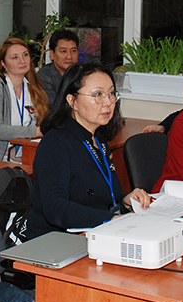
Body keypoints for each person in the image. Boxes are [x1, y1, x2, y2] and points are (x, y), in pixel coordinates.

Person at [26, 63, 150, 239]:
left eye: (111, 94)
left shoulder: (99, 140)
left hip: (95, 233)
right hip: (57, 241)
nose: (108, 102)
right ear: (72, 101)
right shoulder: (55, 143)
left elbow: (98, 200)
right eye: (98, 94)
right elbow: (56, 208)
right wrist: (111, 220)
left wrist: (125, 201)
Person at [38, 29, 80, 105]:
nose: (69, 56)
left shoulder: (82, 74)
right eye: (63, 51)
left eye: (73, 51)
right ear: (52, 54)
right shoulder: (44, 77)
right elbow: (54, 107)